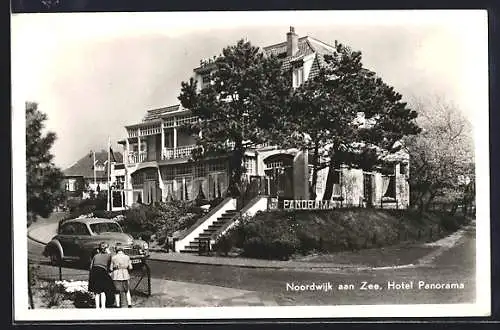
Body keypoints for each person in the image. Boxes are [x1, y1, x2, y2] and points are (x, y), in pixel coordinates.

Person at [88, 242, 114, 309]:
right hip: (102, 271)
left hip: (94, 272)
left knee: (97, 292)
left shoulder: (95, 256)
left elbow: (90, 267)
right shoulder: (108, 255)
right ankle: (103, 307)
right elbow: (111, 260)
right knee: (103, 291)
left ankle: (97, 307)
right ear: (106, 248)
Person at [110, 243, 133, 308]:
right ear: (122, 249)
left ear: (116, 250)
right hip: (125, 274)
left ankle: (117, 305)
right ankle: (129, 304)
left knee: (116, 291)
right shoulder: (127, 257)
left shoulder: (113, 257)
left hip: (116, 275)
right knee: (127, 290)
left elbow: (111, 268)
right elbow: (131, 267)